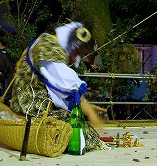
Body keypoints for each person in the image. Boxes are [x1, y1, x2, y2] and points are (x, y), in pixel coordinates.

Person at [10, 22, 107, 150]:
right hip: (30, 102)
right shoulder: (48, 48)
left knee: (77, 122)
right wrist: (90, 113)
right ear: (74, 45)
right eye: (80, 52)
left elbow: (59, 84)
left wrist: (87, 106)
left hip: (31, 98)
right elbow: (68, 85)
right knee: (82, 132)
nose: (79, 57)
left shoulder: (48, 42)